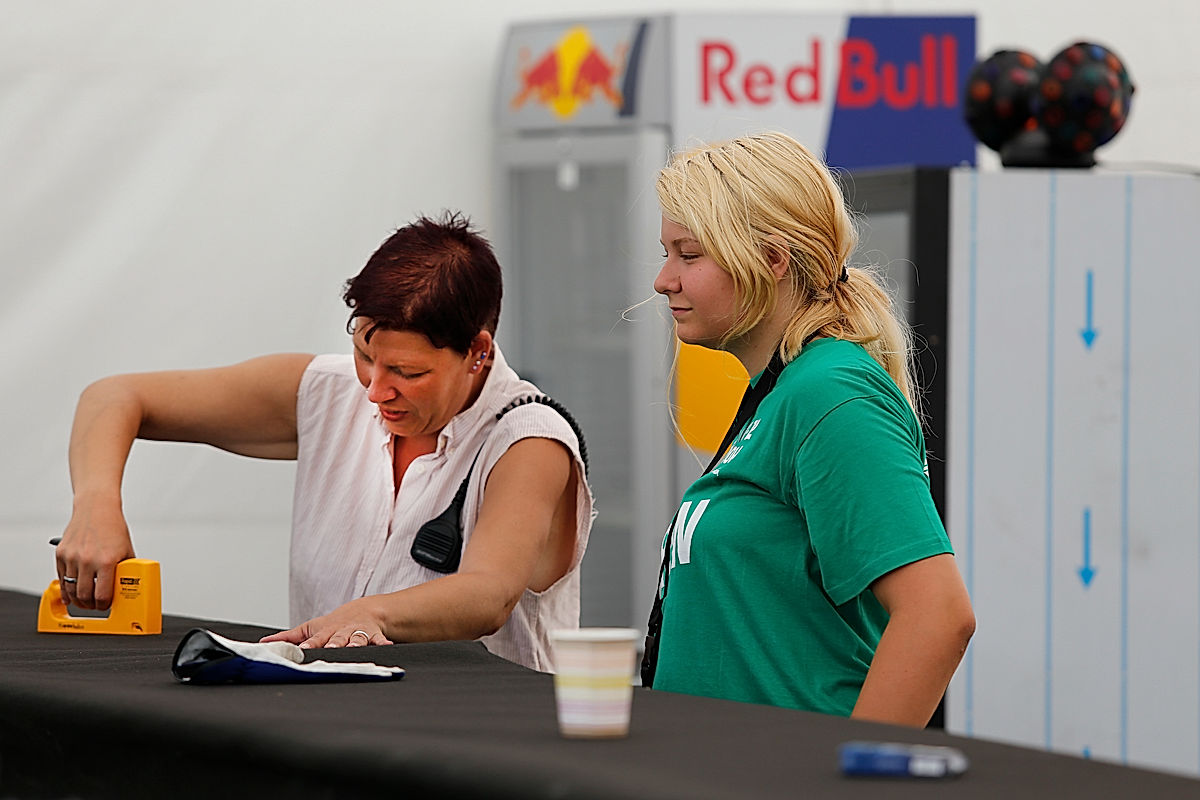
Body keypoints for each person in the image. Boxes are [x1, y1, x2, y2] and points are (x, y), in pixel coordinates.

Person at [55, 212, 593, 672]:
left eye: (407, 372)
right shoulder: (325, 391)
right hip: (333, 730)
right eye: (365, 355)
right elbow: (114, 397)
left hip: (488, 742)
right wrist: (96, 506)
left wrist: (372, 613)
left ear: (478, 352)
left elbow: (488, 594)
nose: (375, 390)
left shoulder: (529, 439)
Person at [647, 132, 974, 726]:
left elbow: (938, 616)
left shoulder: (830, 391)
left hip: (782, 767)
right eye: (667, 253)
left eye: (688, 255)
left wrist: (853, 768)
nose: (663, 279)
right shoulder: (786, 389)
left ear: (773, 260)